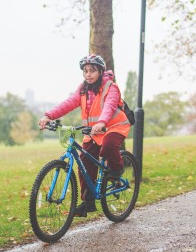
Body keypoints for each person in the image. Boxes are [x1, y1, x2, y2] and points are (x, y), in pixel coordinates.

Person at [38, 54, 131, 217]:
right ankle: (88, 203)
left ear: (101, 71)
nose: (88, 74)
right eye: (85, 71)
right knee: (84, 164)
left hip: (114, 127)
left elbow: (109, 106)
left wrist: (102, 122)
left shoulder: (111, 87)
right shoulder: (82, 89)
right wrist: (49, 116)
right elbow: (68, 103)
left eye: (92, 71)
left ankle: (117, 170)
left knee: (108, 146)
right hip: (93, 132)